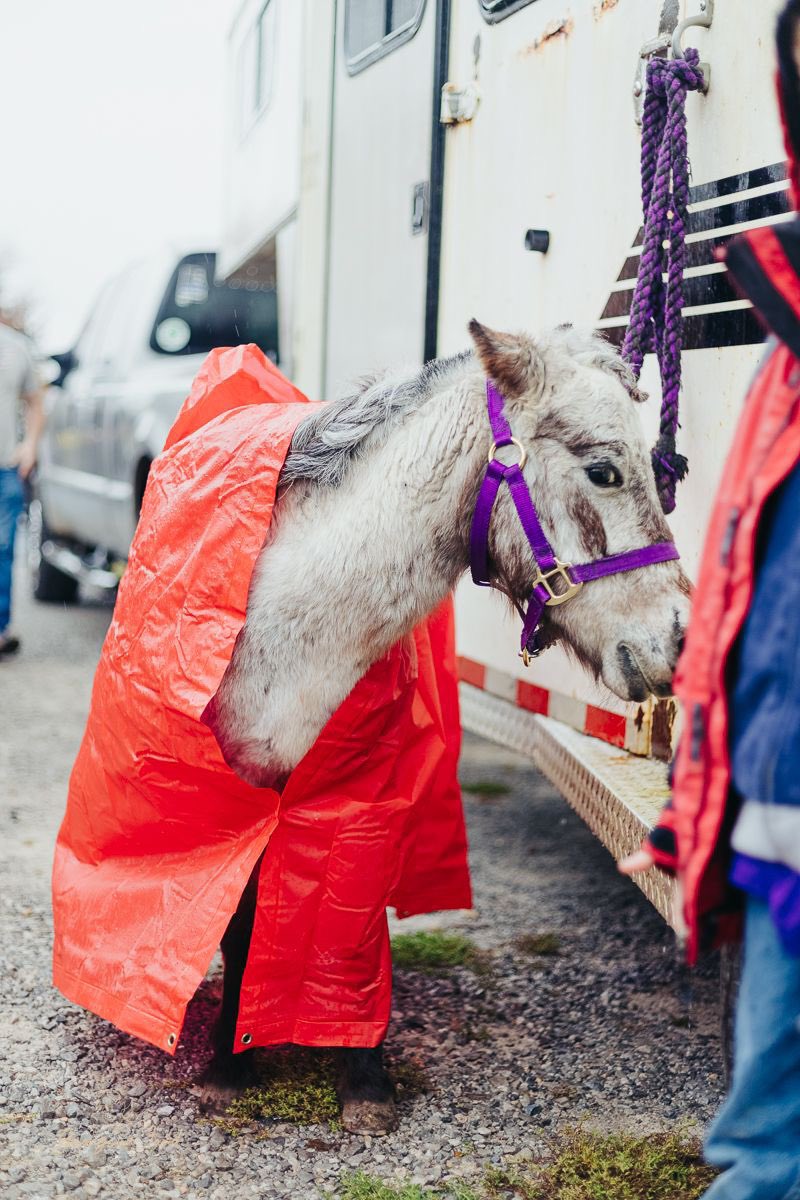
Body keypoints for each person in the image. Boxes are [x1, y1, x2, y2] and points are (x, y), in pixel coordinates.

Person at [620, 4, 800, 1196]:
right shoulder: (785, 341)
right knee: (761, 1135)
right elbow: (751, 600)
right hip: (781, 815)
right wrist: (702, 800)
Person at [0, 313, 44, 657]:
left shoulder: (16, 347)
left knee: (2, 547)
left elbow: (35, 400)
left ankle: (0, 628)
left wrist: (29, 444)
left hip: (5, 466)